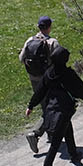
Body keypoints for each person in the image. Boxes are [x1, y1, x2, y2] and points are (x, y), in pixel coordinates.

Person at [27, 44, 83, 166]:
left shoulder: (49, 73)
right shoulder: (68, 74)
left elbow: (40, 91)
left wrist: (31, 105)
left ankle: (73, 153)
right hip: (64, 109)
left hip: (52, 108)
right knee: (56, 142)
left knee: (68, 129)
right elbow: (79, 88)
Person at [20, 17, 58, 153]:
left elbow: (21, 58)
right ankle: (36, 133)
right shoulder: (52, 42)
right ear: (49, 27)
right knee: (52, 107)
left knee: (45, 105)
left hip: (34, 79)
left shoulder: (29, 41)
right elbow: (58, 60)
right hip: (47, 79)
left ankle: (51, 134)